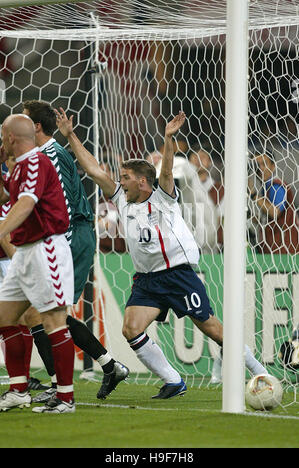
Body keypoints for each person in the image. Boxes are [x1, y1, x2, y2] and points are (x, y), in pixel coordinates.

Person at [55, 107, 269, 399]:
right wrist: (70, 135)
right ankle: (173, 380)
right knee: (131, 328)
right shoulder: (122, 200)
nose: (121, 181)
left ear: (142, 181)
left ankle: (261, 373)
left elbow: (166, 171)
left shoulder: (163, 198)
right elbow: (93, 170)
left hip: (178, 275)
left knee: (214, 330)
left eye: (126, 177)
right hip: (147, 281)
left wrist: (168, 139)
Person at [20, 100, 129, 404]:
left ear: (36, 127)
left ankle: (63, 385)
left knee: (46, 312)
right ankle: (108, 367)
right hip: (67, 236)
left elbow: (63, 206)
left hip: (71, 236)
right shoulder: (43, 154)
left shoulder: (51, 156)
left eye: (24, 120)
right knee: (39, 313)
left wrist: (56, 246)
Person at [0, 114, 75, 413]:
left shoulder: (35, 162)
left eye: (3, 133)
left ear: (11, 137)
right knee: (5, 316)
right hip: (25, 250)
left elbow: (26, 203)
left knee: (54, 322)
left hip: (47, 249)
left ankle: (66, 397)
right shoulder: (18, 167)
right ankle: (18, 389)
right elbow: (7, 197)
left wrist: (1, 230)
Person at [248, 150, 299, 254]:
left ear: (273, 166)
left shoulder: (276, 186)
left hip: (284, 251)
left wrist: (253, 195)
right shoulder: (266, 188)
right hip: (275, 248)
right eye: (257, 165)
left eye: (264, 164)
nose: (260, 168)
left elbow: (275, 212)